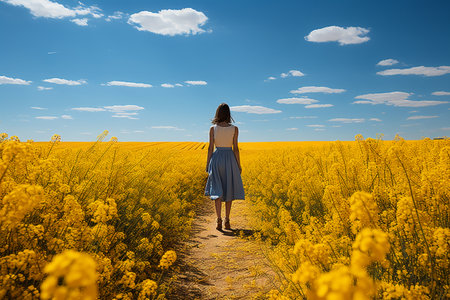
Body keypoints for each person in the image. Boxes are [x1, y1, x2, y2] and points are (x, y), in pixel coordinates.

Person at [205, 103, 245, 231]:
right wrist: (238, 165)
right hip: (230, 160)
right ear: (229, 114)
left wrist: (207, 164)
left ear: (218, 113)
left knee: (217, 190)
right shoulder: (235, 129)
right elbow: (236, 149)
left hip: (216, 159)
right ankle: (227, 220)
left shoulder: (212, 129)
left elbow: (210, 148)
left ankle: (219, 220)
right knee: (229, 189)